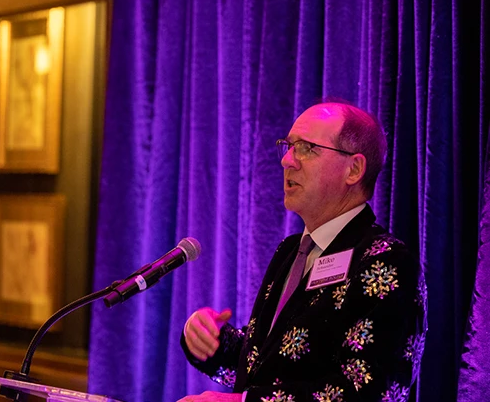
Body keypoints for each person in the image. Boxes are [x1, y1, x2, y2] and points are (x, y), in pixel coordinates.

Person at [178, 102, 427, 402]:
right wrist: (210, 341)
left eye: (307, 148)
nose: (287, 161)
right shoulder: (290, 251)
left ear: (354, 169)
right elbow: (268, 363)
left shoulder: (386, 261)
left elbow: (370, 391)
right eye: (288, 146)